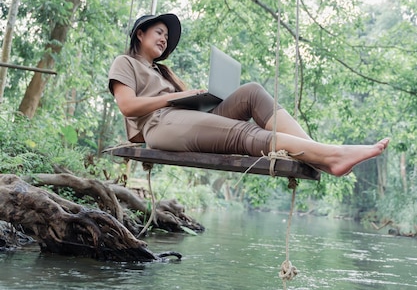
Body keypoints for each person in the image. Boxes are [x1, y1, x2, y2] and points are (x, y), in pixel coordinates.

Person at [108, 13, 389, 177]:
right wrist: (173, 98)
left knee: (252, 92)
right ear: (140, 34)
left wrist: (201, 96)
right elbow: (128, 106)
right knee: (242, 132)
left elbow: (186, 110)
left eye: (166, 38)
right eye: (159, 33)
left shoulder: (165, 72)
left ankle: (318, 154)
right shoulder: (126, 63)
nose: (164, 40)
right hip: (160, 126)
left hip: (183, 118)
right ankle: (332, 155)